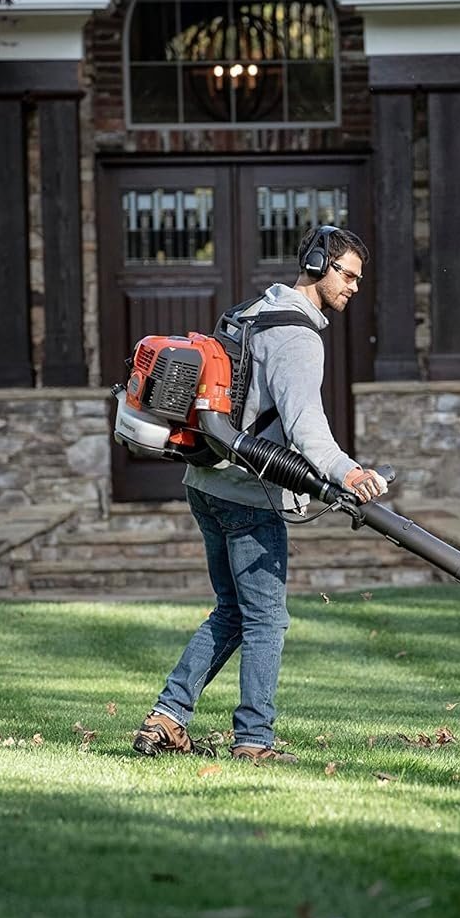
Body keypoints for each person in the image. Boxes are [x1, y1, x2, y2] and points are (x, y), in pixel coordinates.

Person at [132, 225, 389, 764]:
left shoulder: (251, 311)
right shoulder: (298, 336)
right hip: (249, 495)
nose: (354, 287)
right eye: (347, 275)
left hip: (204, 483)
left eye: (358, 279)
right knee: (266, 619)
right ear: (318, 265)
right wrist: (347, 472)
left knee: (231, 609)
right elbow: (305, 426)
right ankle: (254, 741)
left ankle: (167, 717)